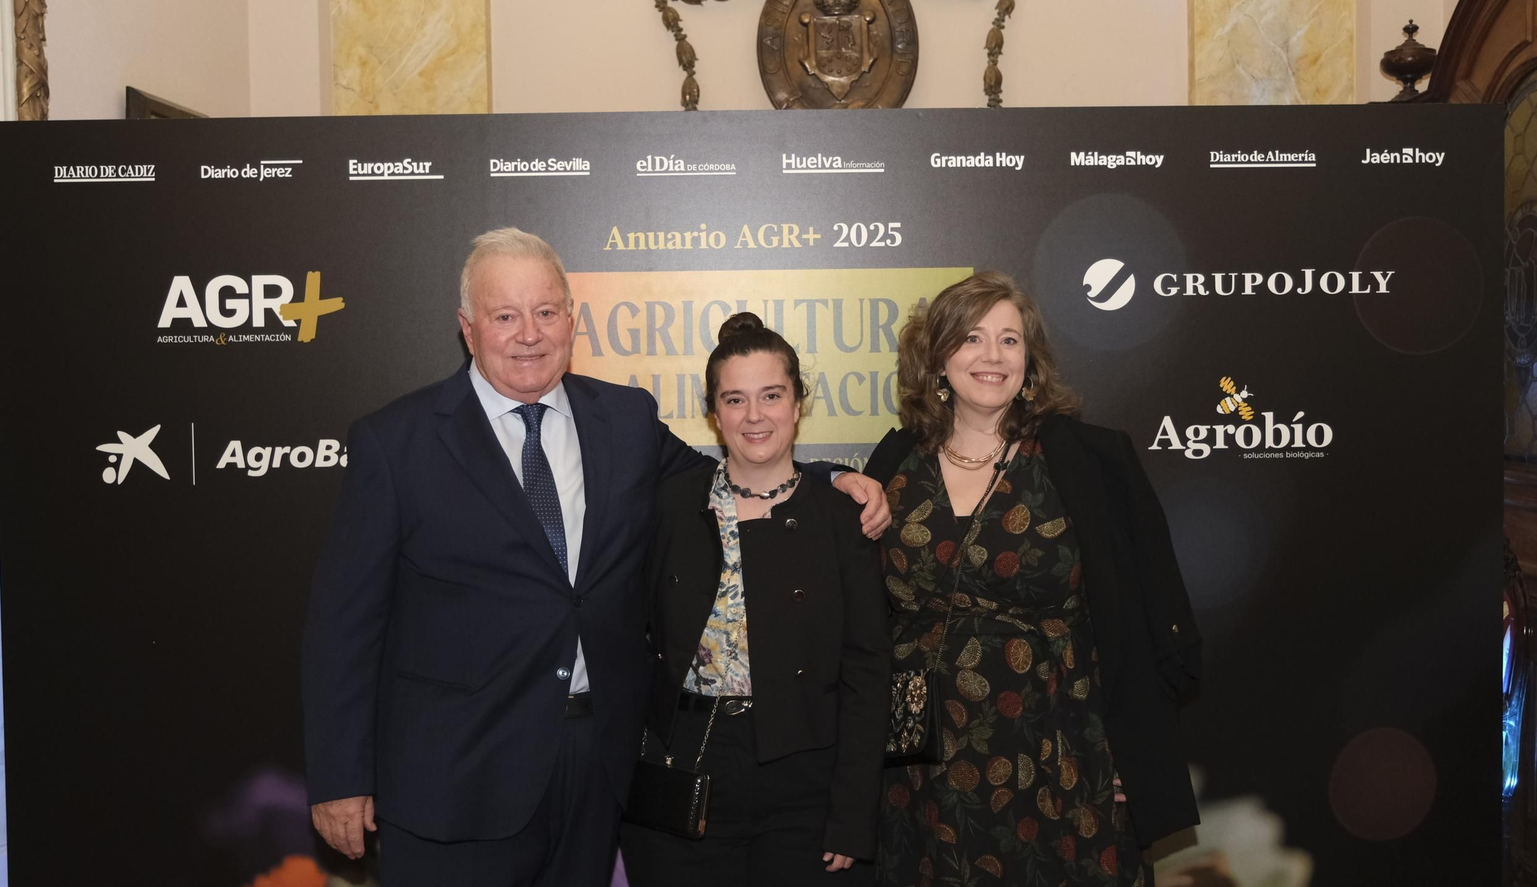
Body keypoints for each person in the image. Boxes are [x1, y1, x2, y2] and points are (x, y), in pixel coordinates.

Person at [300, 228, 890, 887]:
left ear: (572, 320)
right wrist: (339, 776)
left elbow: (733, 472)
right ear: (467, 328)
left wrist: (835, 477)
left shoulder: (625, 418)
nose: (529, 334)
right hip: (454, 781)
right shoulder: (395, 443)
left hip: (595, 771)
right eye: (505, 315)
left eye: (546, 312)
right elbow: (342, 626)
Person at [867, 272, 1201, 887]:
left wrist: (1139, 747)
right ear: (937, 359)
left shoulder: (1090, 460)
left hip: (1061, 746)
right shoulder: (893, 462)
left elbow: (1156, 614)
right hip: (921, 765)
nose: (992, 356)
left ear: (1030, 360)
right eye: (971, 338)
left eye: (1009, 340)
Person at [620, 312, 892, 886]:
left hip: (806, 779)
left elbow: (867, 671)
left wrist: (852, 813)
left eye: (772, 395)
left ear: (797, 404)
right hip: (685, 765)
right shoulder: (669, 508)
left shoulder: (844, 517)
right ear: (714, 414)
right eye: (735, 399)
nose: (755, 416)